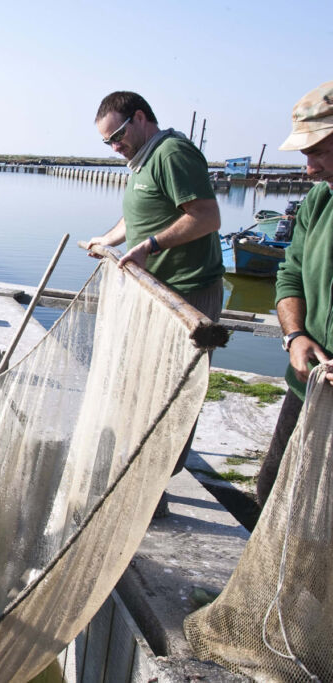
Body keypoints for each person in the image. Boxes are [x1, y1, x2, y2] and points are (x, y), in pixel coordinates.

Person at [86, 91, 224, 515]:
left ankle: (154, 488)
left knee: (171, 393)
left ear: (140, 118)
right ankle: (146, 481)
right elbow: (140, 214)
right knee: (142, 387)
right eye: (107, 142)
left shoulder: (172, 152)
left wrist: (151, 245)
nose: (114, 147)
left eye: (117, 136)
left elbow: (206, 215)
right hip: (157, 293)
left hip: (186, 293)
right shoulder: (143, 160)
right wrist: (107, 240)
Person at [256, 80, 333, 508]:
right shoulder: (319, 201)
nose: (309, 169)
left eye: (319, 150)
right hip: (307, 388)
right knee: (273, 494)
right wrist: (295, 336)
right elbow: (290, 275)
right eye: (305, 155)